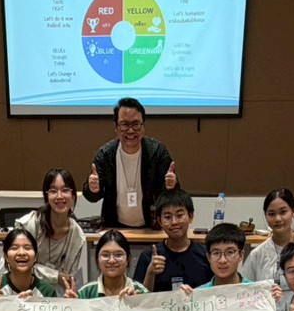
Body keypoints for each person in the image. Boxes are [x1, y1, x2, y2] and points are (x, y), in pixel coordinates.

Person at [83, 98, 177, 230]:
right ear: (116, 127)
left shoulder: (158, 152)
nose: (131, 130)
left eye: (136, 124)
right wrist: (93, 189)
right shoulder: (105, 155)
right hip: (115, 229)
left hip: (151, 228)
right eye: (124, 124)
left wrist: (172, 186)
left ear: (143, 126)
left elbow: (173, 196)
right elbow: (92, 197)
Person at [14, 169, 87, 286]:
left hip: (55, 293)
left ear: (73, 196)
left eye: (65, 190)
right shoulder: (30, 224)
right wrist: (56, 276)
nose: (59, 196)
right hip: (22, 287)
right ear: (46, 196)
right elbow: (19, 265)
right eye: (53, 191)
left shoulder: (77, 235)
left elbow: (67, 279)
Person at [134, 190, 210, 292]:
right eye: (167, 217)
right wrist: (150, 272)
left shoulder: (205, 254)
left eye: (179, 215)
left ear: (191, 216)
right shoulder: (149, 256)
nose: (174, 222)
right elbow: (138, 298)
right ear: (160, 221)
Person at [0, 227, 59, 298]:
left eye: (27, 248)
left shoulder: (47, 292)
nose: (21, 253)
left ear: (35, 257)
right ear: (6, 257)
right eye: (14, 248)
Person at [72, 231, 149, 298]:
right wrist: (72, 304)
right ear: (97, 259)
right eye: (105, 255)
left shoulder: (141, 293)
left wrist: (137, 305)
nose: (112, 260)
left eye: (118, 255)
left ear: (128, 259)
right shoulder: (85, 293)